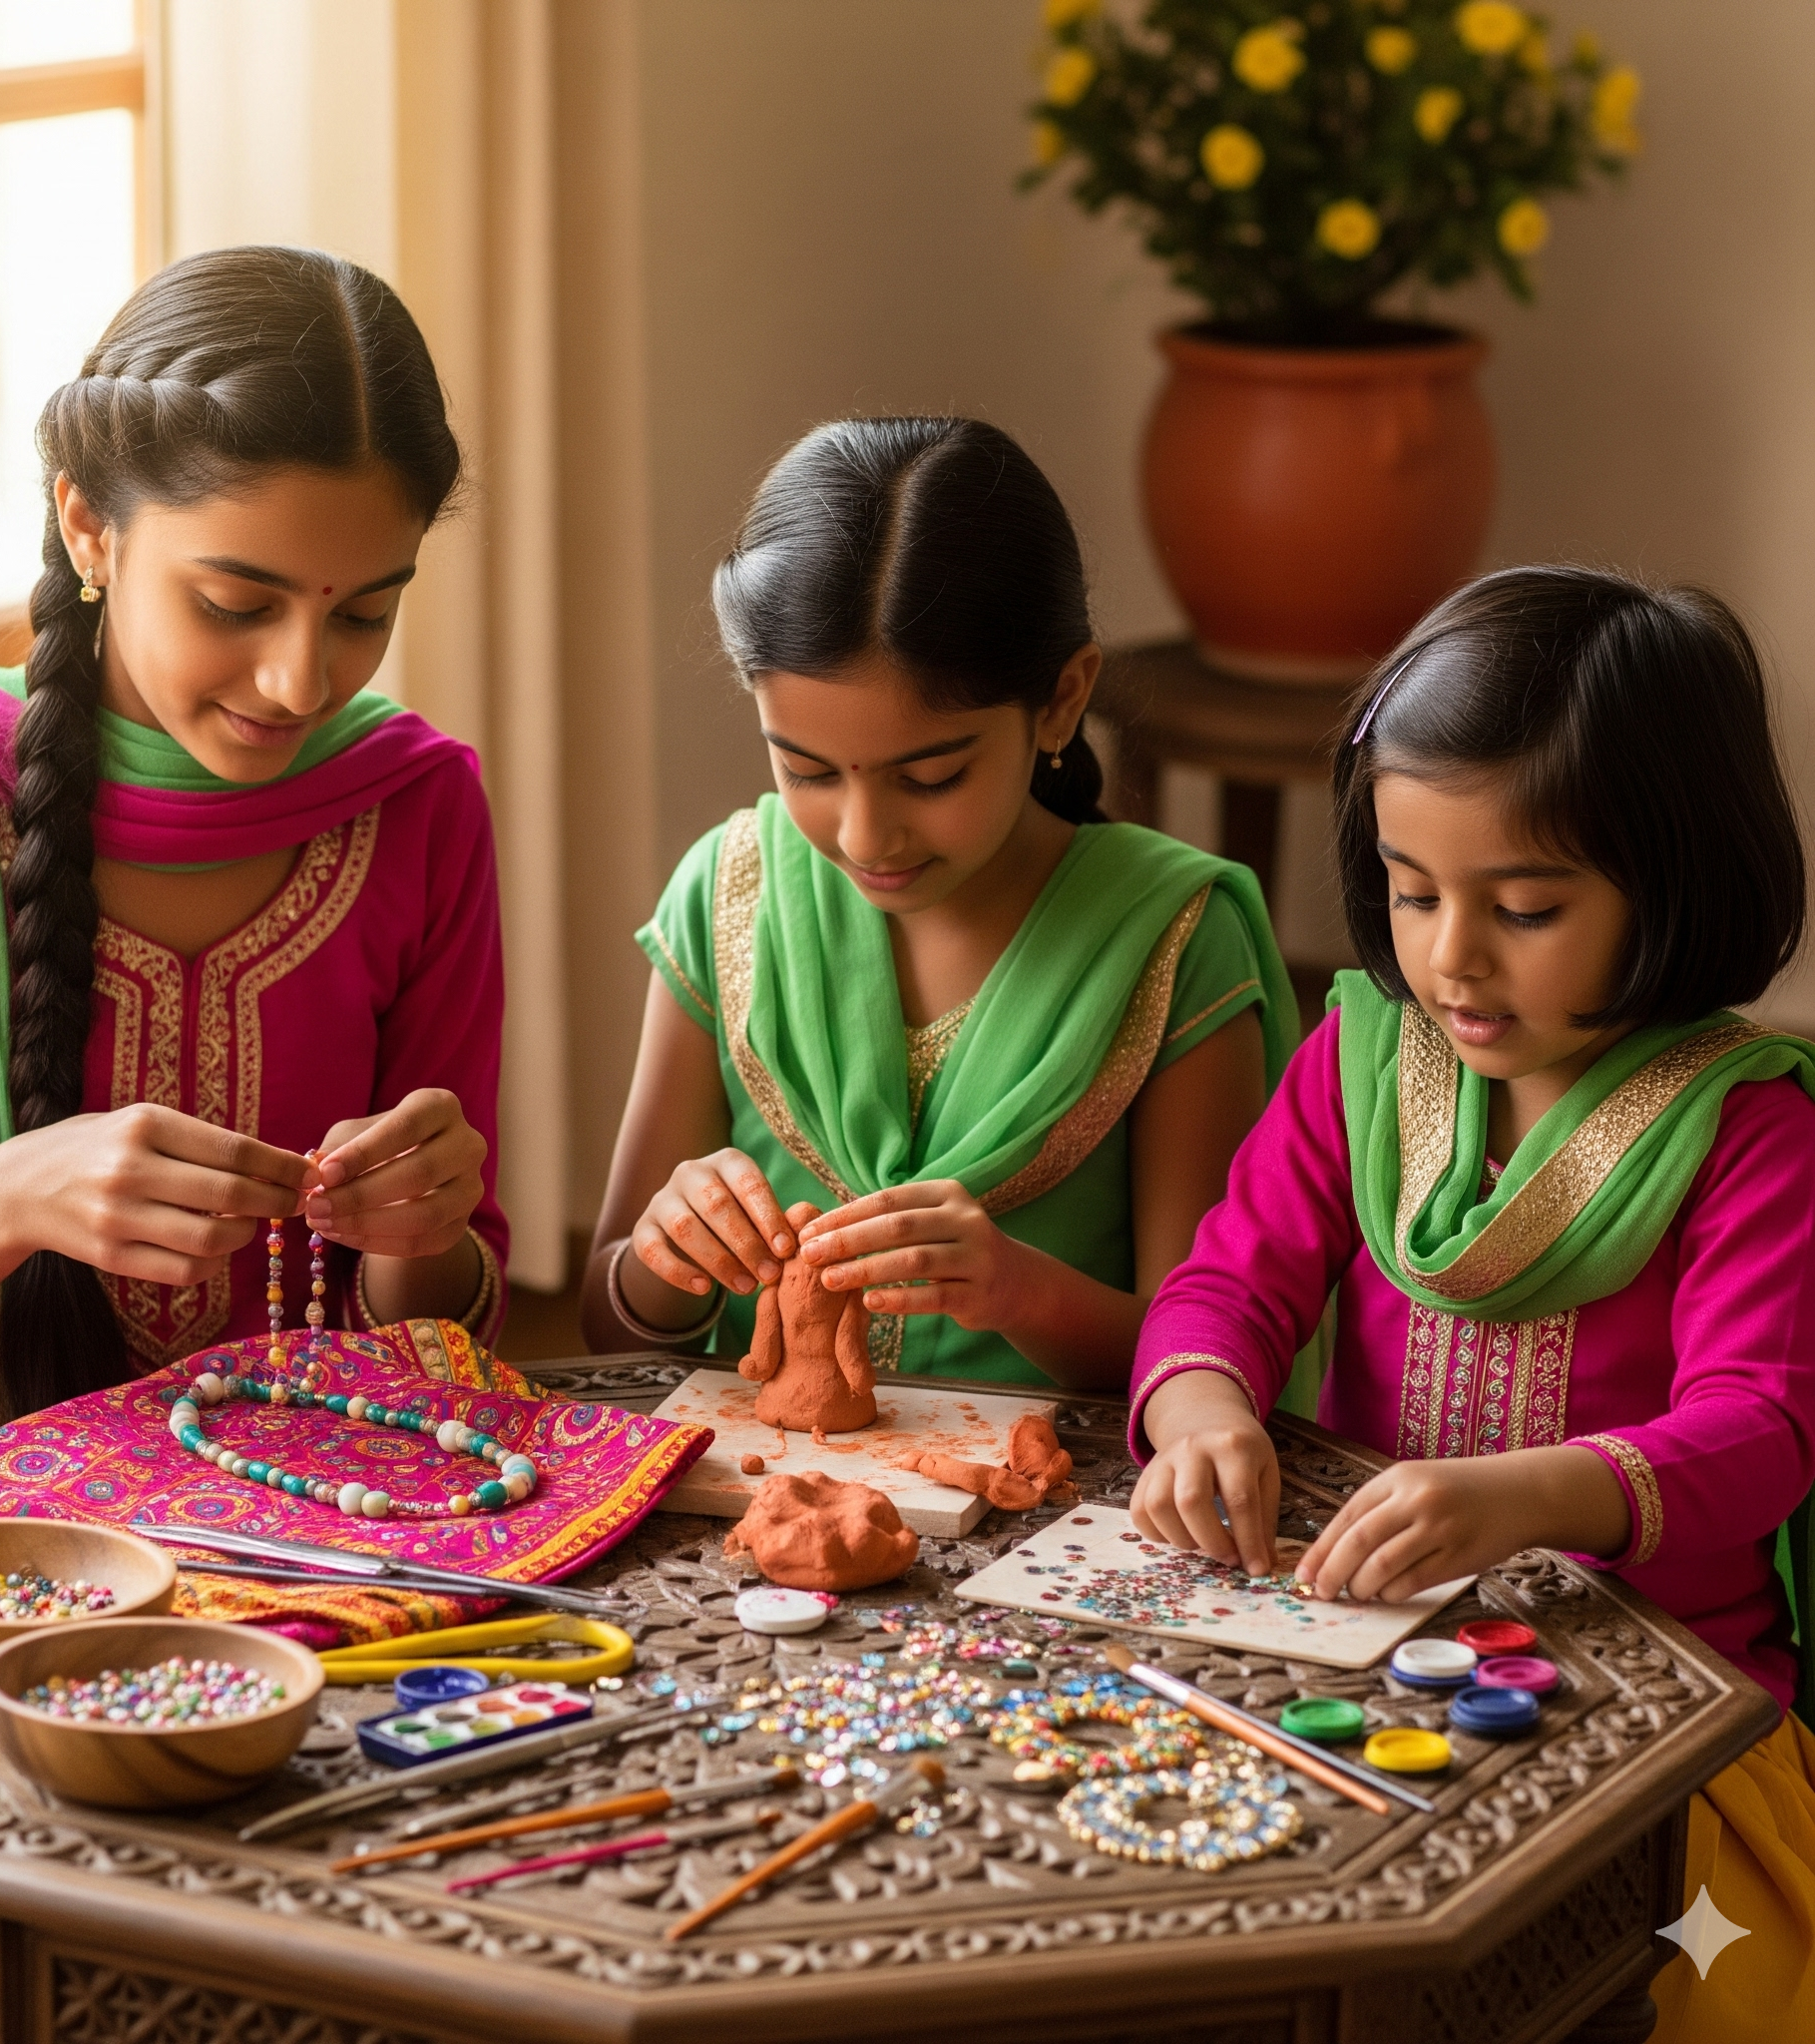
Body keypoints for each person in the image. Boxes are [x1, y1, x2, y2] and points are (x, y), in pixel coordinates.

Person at [0, 246, 509, 2043]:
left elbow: (443, 1332)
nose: (293, 674)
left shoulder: (415, 806)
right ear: (86, 526)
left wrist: (422, 1230)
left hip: (324, 1582)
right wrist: (1, 1198)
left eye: (361, 611)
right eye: (237, 596)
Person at [1127, 566, 1815, 2043]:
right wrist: (1199, 1408)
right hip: (1373, 1647)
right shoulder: (1366, 1063)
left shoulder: (1753, 1130)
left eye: (1525, 906)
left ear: (1676, 876)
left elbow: (1760, 1429)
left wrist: (1533, 1498)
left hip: (1659, 1713)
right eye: (1410, 889)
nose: (1452, 955)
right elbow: (1224, 1281)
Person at [583, 416, 1297, 1389]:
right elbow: (608, 1322)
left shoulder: (1169, 935)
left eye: (930, 776)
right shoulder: (731, 892)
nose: (865, 836)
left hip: (1056, 1518)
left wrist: (1015, 1288)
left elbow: (1208, 1356)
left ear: (1059, 700)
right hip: (755, 1489)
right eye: (805, 768)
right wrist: (663, 1257)